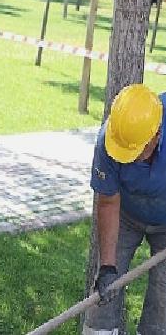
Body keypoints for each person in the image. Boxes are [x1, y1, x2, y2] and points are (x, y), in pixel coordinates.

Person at [84, 84, 166, 335]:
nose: (126, 157)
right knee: (105, 293)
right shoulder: (109, 141)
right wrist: (108, 266)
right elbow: (108, 202)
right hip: (125, 216)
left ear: (156, 134)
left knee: (163, 296)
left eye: (136, 150)